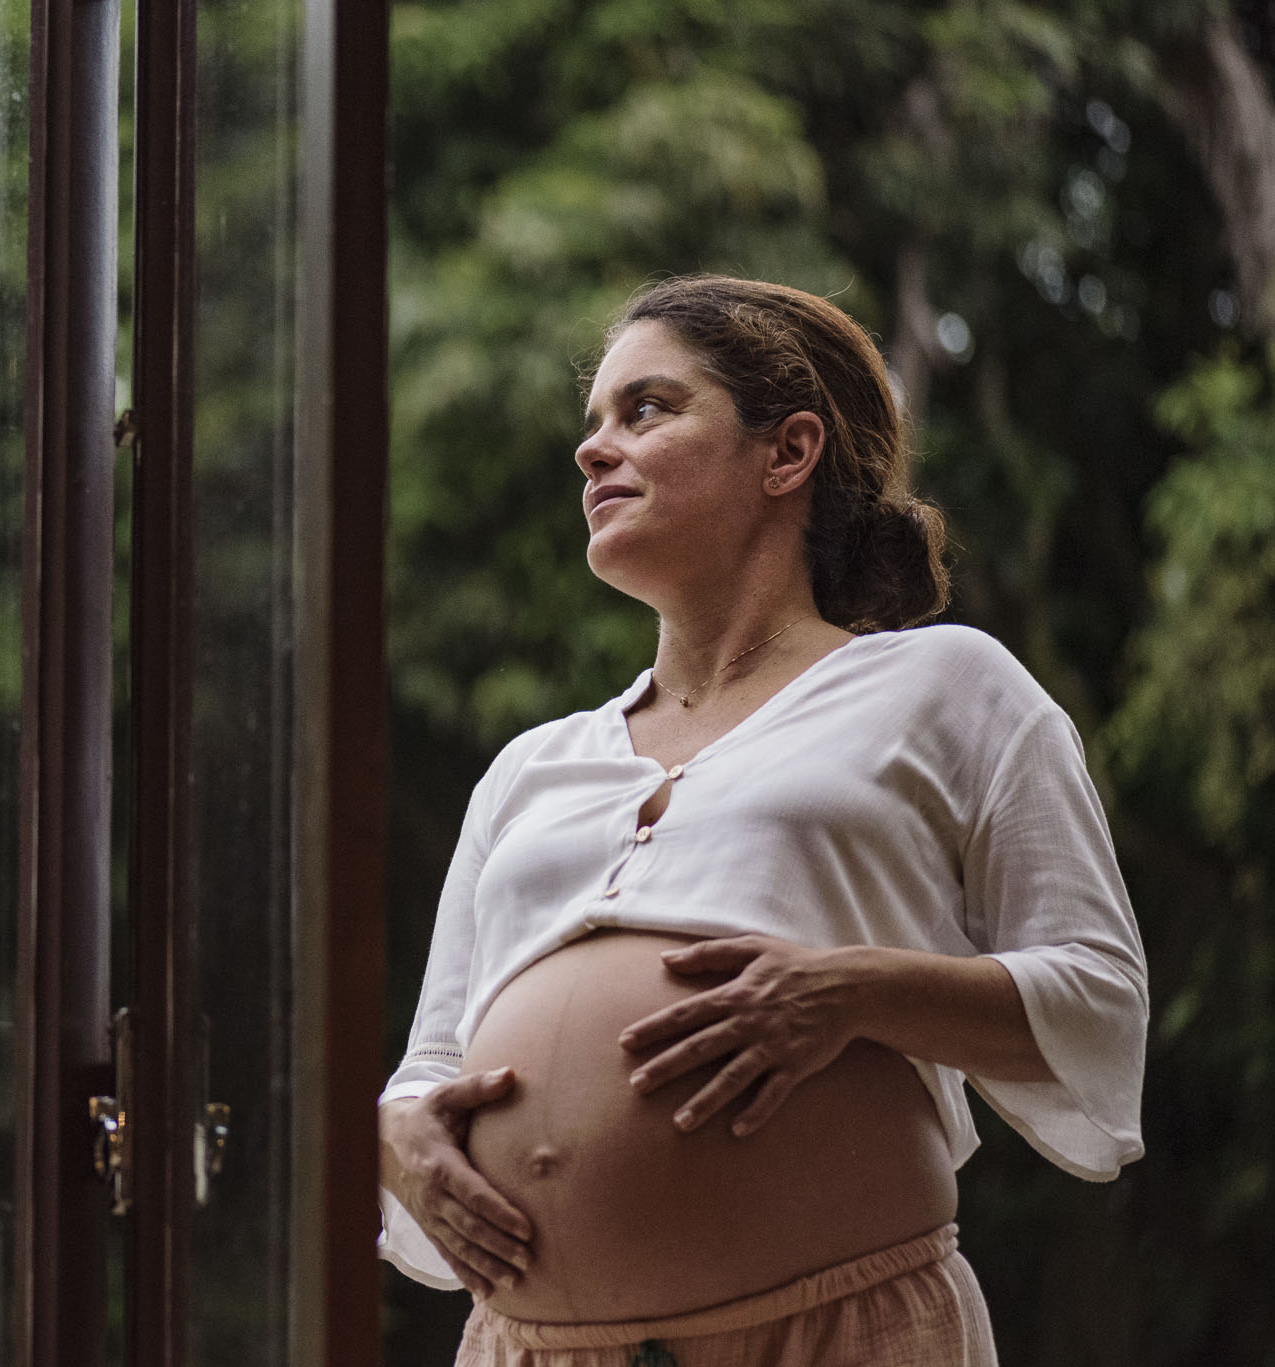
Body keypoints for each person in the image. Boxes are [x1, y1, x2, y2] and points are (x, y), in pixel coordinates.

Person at [376, 275, 1148, 1366]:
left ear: (786, 452)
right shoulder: (525, 769)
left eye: (644, 409)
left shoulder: (947, 686)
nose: (593, 449)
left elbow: (1100, 1002)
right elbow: (429, 1063)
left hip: (837, 1330)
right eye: (590, 422)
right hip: (528, 1345)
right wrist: (393, 1132)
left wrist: (850, 990)